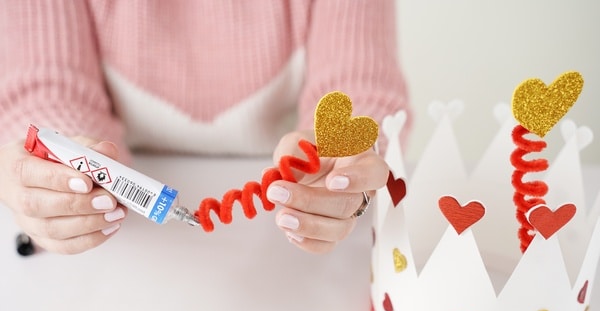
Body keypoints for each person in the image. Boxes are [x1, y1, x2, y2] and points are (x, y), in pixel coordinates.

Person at [0, 0, 410, 255]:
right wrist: (56, 178)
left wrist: (346, 172)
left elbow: (360, 88)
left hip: (303, 264)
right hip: (125, 256)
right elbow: (47, 92)